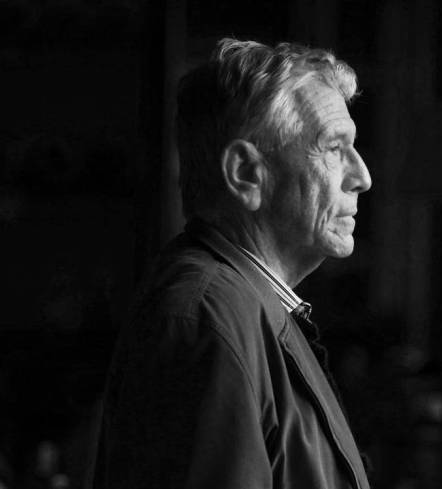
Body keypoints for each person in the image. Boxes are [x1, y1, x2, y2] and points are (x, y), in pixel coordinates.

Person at [92, 38, 372, 489]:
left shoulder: (240, 307)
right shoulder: (207, 317)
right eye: (334, 148)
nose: (362, 176)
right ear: (245, 173)